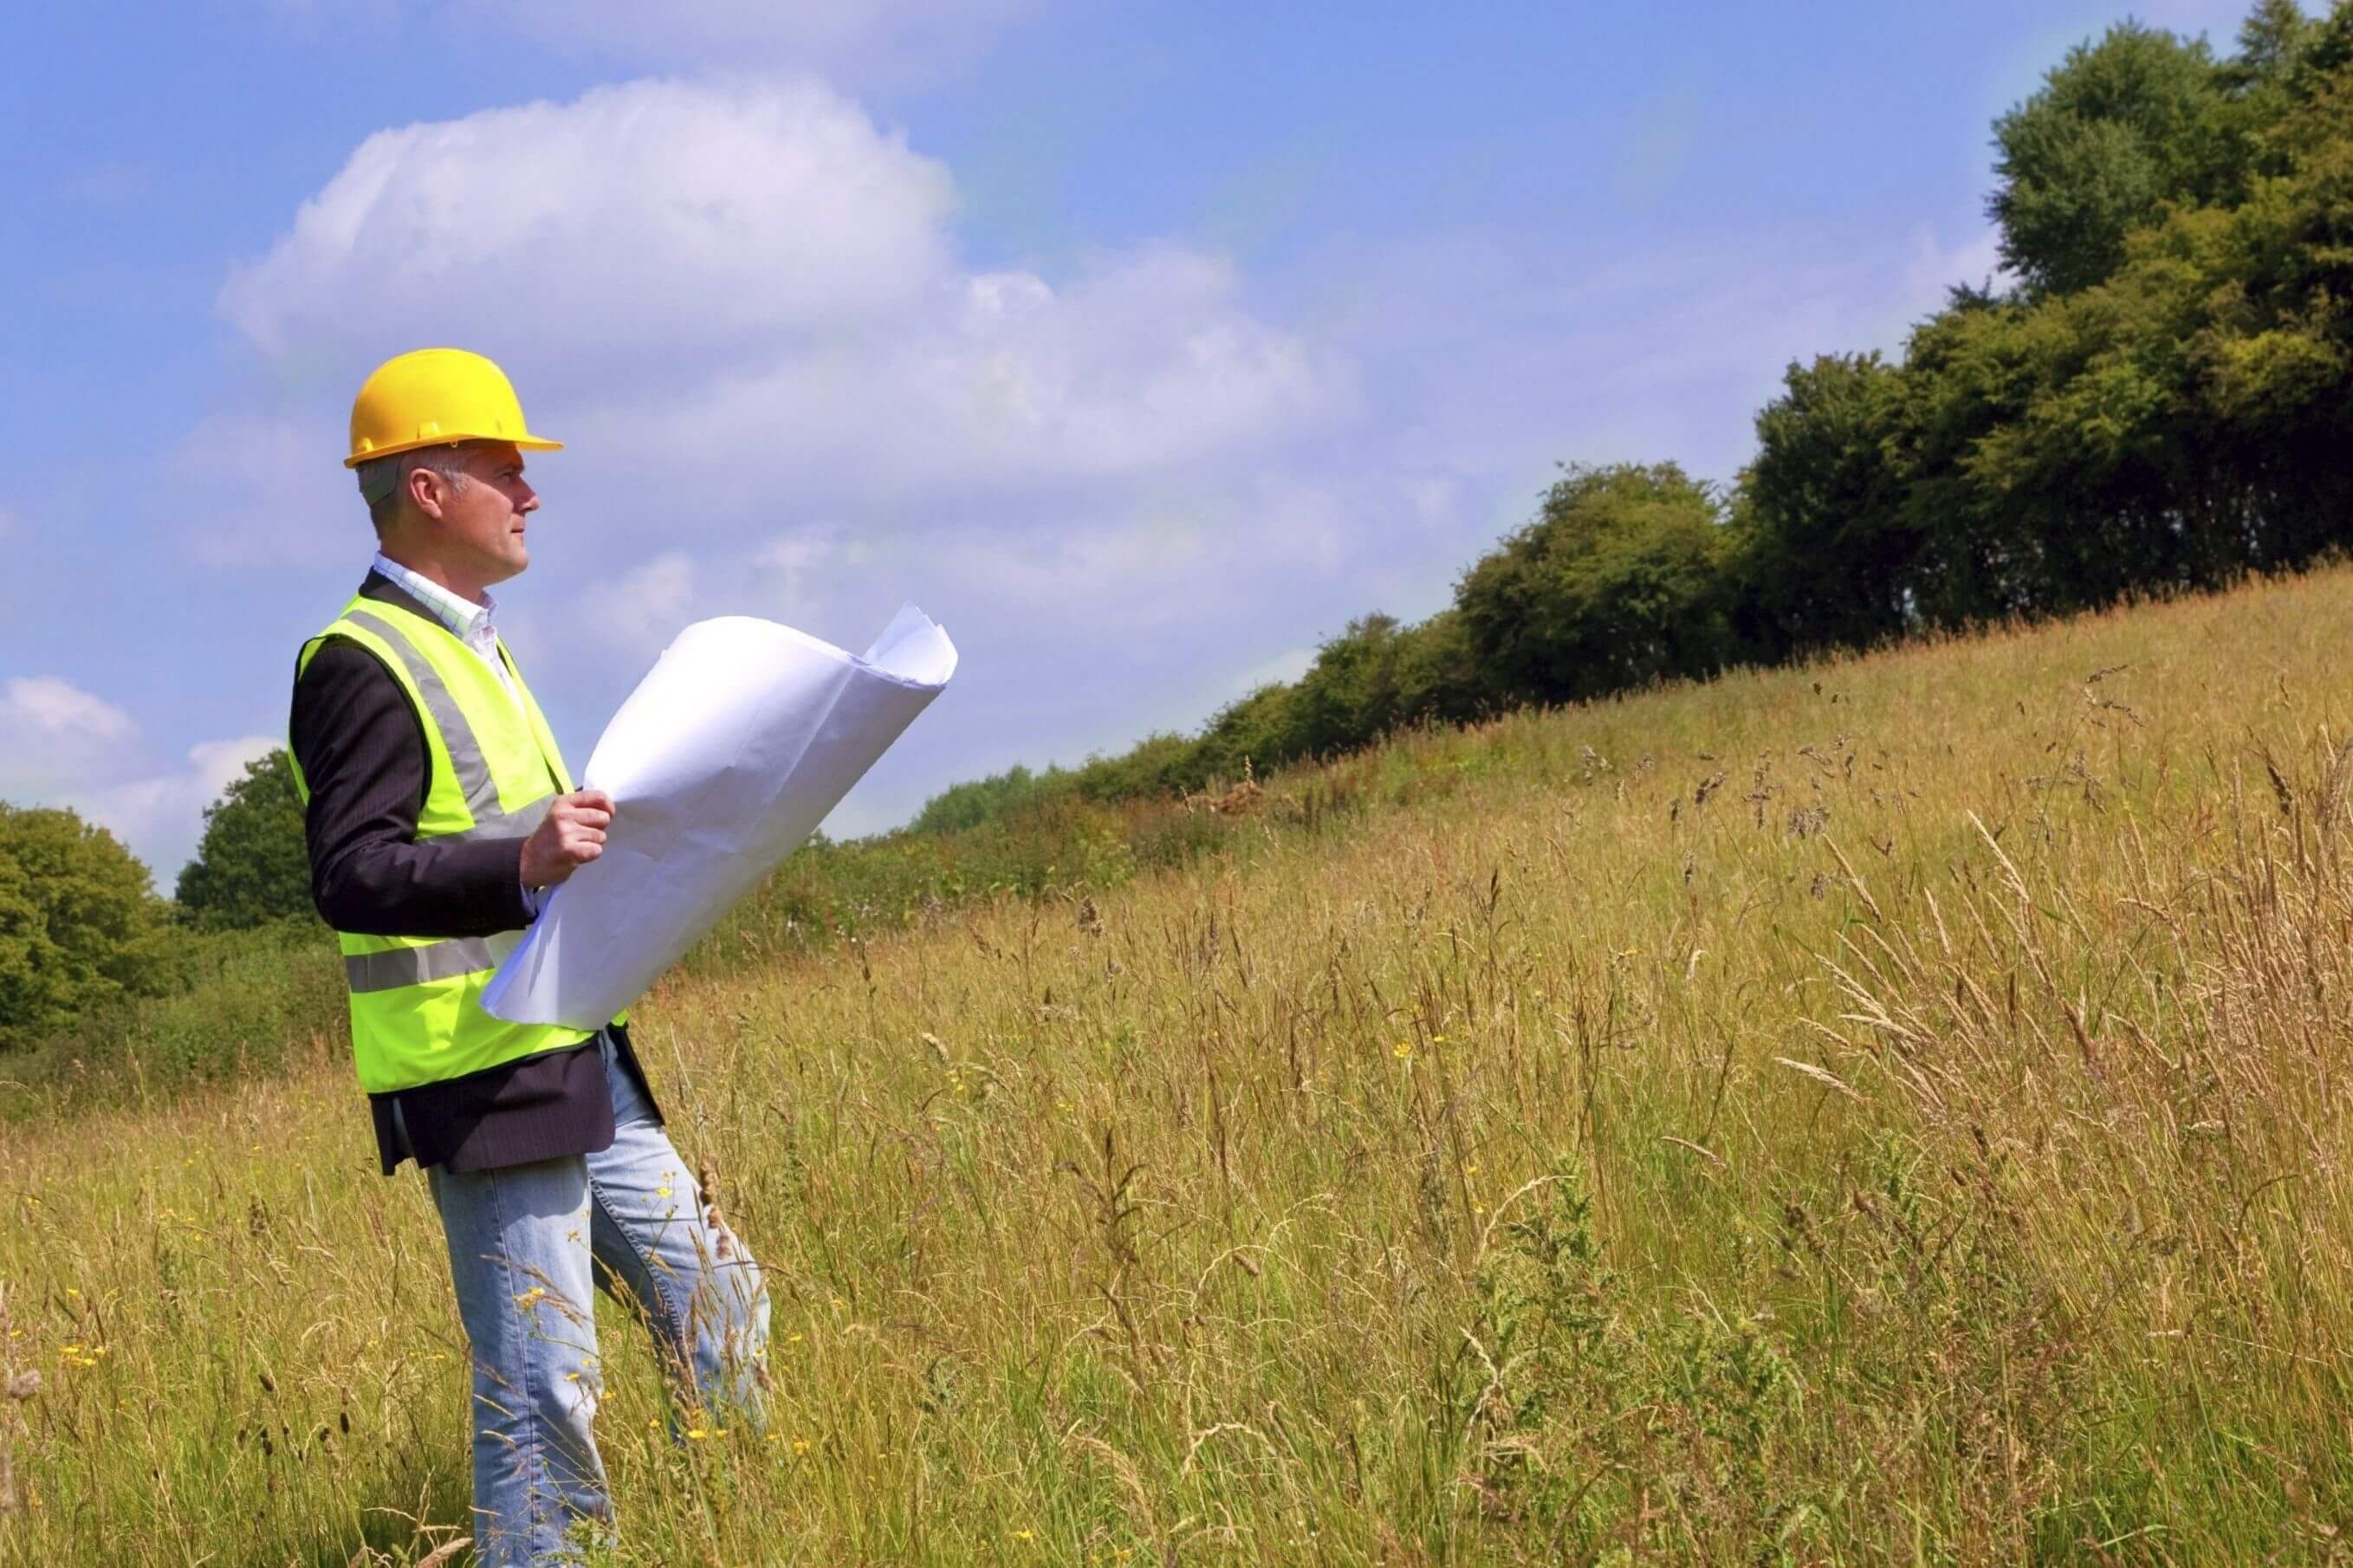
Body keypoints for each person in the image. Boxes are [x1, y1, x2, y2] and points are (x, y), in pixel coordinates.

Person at [286, 347, 769, 1565]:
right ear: (431, 490)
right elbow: (351, 872)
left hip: (572, 1052)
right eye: (508, 466)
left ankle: (749, 1531)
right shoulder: (357, 661)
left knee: (721, 1304)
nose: (532, 491)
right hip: (480, 1078)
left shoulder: (476, 642)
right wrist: (522, 862)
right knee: (541, 1389)